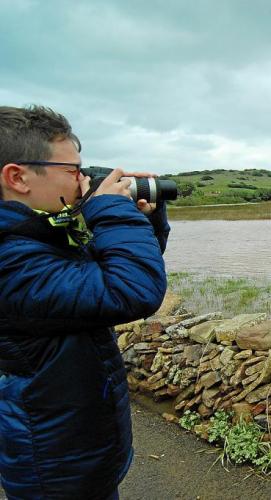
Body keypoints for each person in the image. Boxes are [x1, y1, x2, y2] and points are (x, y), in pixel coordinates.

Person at [0, 105, 169, 499]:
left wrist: (144, 221)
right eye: (72, 171)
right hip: (54, 463)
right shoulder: (10, 259)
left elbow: (111, 277)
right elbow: (131, 289)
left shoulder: (36, 237)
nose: (83, 181)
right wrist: (108, 208)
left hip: (75, 445)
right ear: (17, 176)